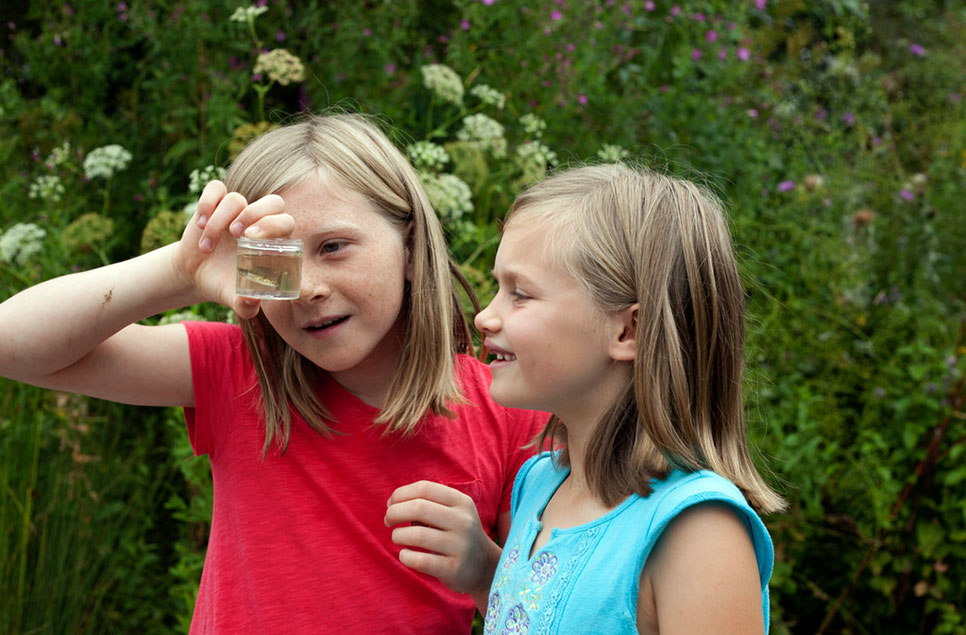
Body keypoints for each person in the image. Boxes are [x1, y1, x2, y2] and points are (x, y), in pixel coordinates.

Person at [0, 113, 547, 633]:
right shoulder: (236, 373)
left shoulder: (506, 408)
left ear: (408, 246)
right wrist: (182, 270)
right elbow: (13, 345)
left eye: (333, 247)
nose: (307, 286)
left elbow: (552, 615)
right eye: (275, 261)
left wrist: (483, 571)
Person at [466, 163, 787, 634]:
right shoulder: (539, 485)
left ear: (627, 330)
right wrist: (481, 576)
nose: (485, 318)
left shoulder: (696, 531)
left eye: (520, 294)